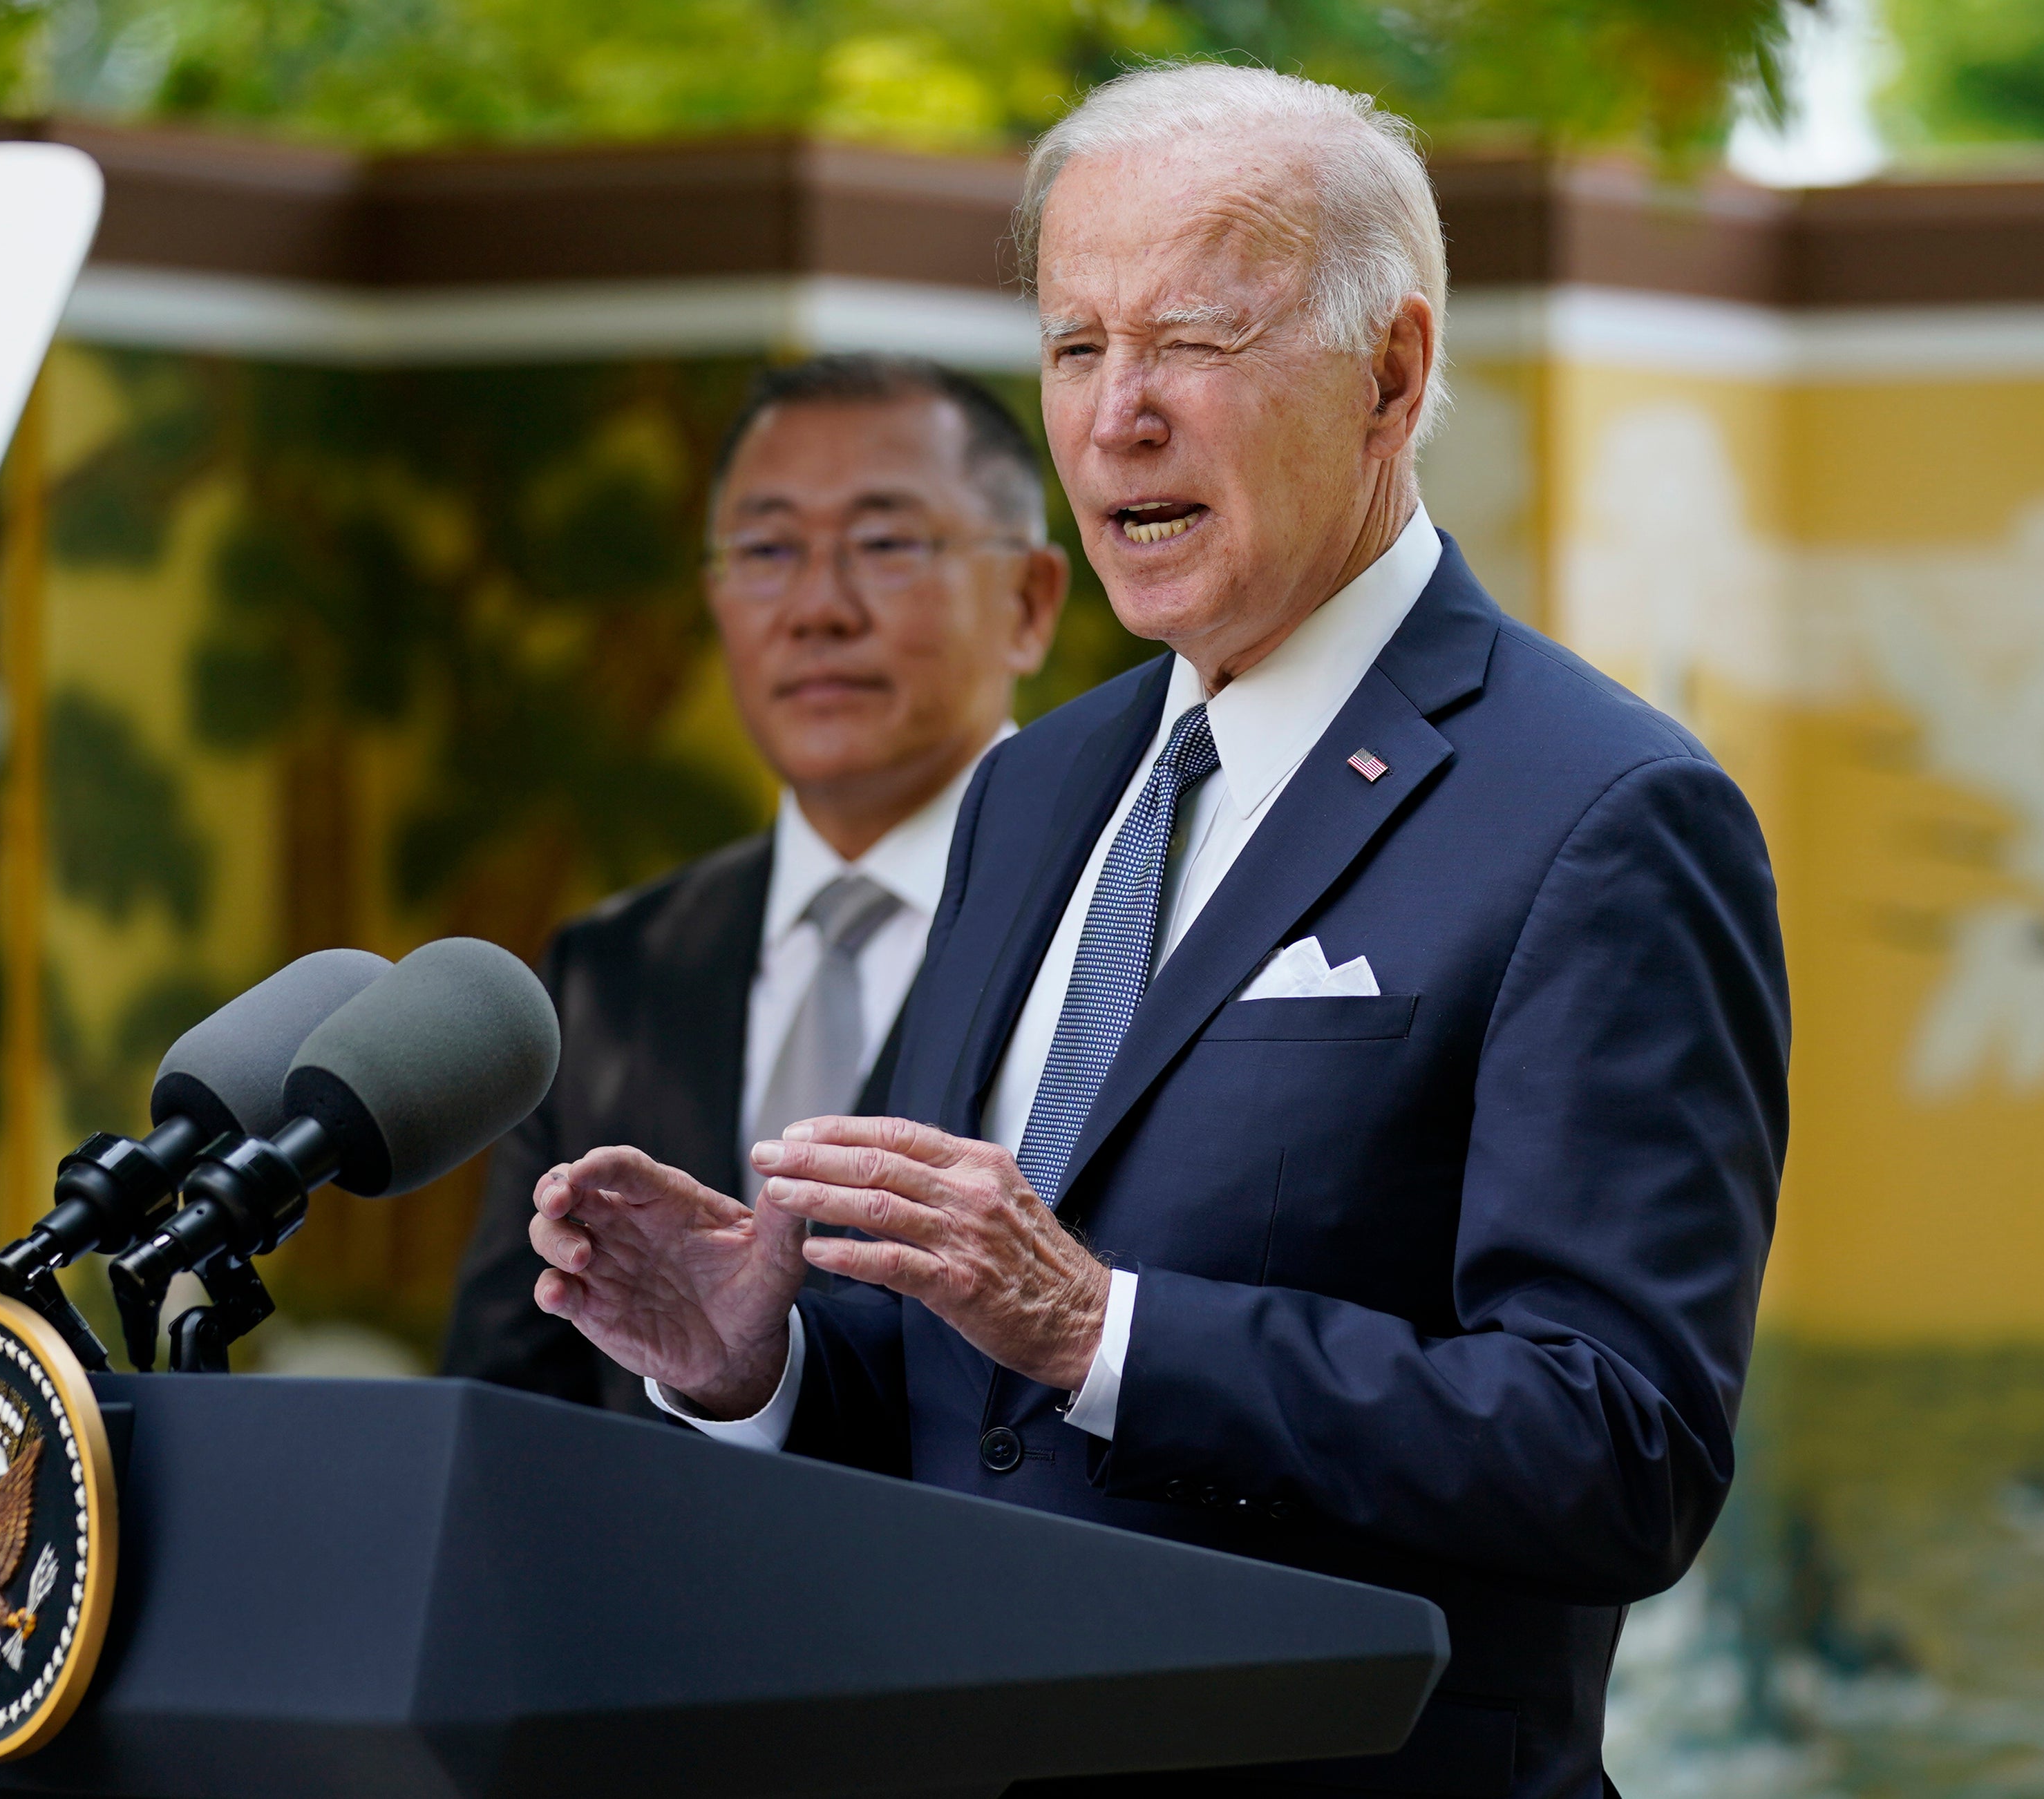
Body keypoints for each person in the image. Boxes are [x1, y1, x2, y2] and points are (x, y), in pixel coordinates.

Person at [526, 65, 1788, 1799]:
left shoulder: (1602, 811)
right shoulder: (1037, 789)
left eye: (1192, 341)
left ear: (1393, 376)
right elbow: (948, 1387)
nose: (1119, 417)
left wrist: (1108, 1330)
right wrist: (756, 1368)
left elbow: (1618, 1451)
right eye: (1073, 347)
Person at [439, 353, 1067, 1416]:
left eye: (884, 544)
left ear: (1029, 600)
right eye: (768, 550)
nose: (818, 609)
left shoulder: (1118, 921)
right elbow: (510, 1399)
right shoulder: (613, 969)